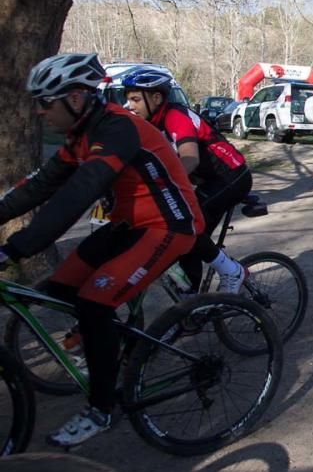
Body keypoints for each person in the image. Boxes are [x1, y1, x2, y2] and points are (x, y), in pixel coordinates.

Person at [0, 53, 203, 447]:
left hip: (169, 225)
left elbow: (78, 193)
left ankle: (101, 409)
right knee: (58, 289)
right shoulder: (80, 137)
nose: (40, 112)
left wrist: (15, 249)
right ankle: (109, 348)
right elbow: (37, 188)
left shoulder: (117, 129)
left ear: (75, 99)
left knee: (95, 303)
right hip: (128, 225)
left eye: (45, 102)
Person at [120, 67, 251, 293]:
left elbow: (189, 159)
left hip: (231, 177)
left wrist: (159, 189)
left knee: (189, 227)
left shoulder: (175, 116)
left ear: (156, 98)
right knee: (188, 242)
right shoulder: (153, 122)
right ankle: (189, 306)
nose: (129, 106)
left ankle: (232, 270)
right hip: (211, 181)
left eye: (134, 99)